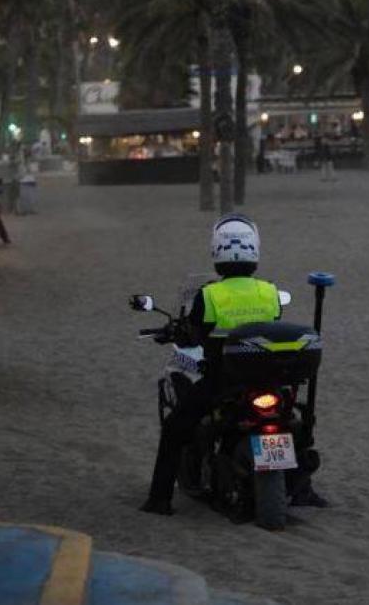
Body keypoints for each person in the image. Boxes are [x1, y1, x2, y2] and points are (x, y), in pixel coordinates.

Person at [139, 214, 325, 515]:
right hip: (270, 381)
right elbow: (272, 326)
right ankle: (304, 489)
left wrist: (176, 331)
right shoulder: (268, 291)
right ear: (255, 251)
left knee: (175, 428)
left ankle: (159, 500)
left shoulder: (209, 295)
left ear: (216, 252)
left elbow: (192, 333)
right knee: (299, 420)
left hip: (222, 382)